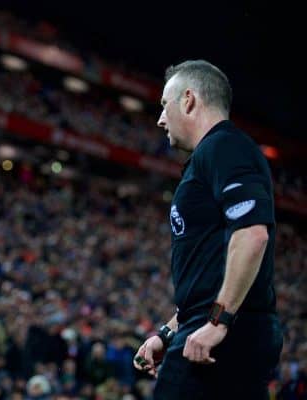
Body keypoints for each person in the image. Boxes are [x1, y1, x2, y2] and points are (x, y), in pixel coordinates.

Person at [132, 60, 282, 399]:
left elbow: (252, 234)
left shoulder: (224, 146)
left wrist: (217, 322)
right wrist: (168, 332)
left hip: (221, 336)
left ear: (188, 100)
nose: (159, 119)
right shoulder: (211, 156)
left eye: (163, 106)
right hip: (218, 329)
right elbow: (209, 274)